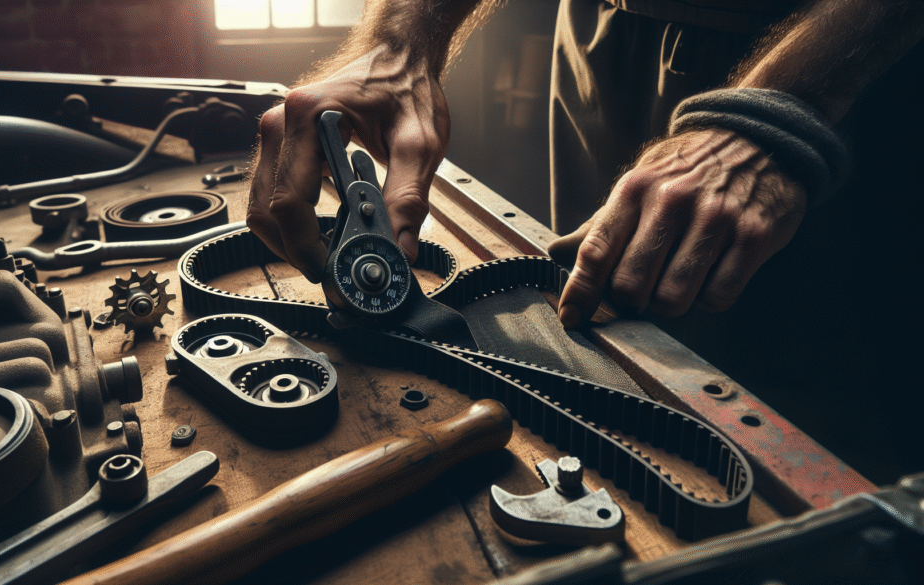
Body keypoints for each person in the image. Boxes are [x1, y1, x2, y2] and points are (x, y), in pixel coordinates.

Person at [246, 0, 924, 481]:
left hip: (848, 68)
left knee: (811, 447)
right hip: (606, 41)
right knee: (590, 339)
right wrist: (399, 39)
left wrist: (785, 107)